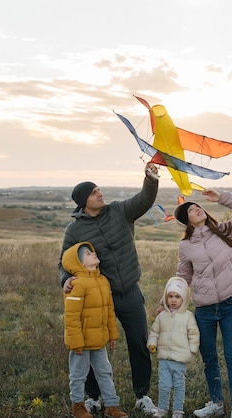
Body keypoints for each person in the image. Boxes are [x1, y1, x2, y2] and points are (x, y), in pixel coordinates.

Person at [59, 162, 159, 415]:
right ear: (84, 201)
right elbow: (65, 261)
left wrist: (150, 179)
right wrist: (65, 279)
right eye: (94, 192)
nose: (100, 194)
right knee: (93, 345)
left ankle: (142, 396)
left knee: (139, 342)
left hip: (130, 292)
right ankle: (92, 397)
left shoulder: (119, 211)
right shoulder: (75, 229)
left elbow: (144, 200)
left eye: (100, 190)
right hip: (98, 296)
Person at [173, 190, 232, 418]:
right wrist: (168, 302)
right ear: (187, 221)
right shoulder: (186, 245)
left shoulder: (226, 230)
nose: (197, 209)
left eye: (197, 206)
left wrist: (222, 197)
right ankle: (216, 403)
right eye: (190, 210)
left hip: (229, 305)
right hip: (204, 310)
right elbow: (183, 277)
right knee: (209, 358)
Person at [62, 242, 128, 418]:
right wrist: (76, 341)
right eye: (88, 254)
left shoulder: (103, 281)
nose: (93, 254)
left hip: (99, 340)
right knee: (78, 375)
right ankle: (78, 406)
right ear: (78, 263)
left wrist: (113, 335)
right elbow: (71, 316)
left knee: (105, 372)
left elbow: (109, 310)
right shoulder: (77, 284)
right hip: (81, 342)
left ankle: (112, 406)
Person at [147, 277, 200, 418]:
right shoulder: (161, 316)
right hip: (164, 358)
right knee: (164, 386)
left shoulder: (188, 316)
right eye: (170, 296)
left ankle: (177, 410)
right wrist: (152, 343)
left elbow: (194, 334)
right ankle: (162, 408)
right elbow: (154, 332)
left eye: (177, 297)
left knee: (178, 386)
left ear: (183, 298)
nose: (173, 300)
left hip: (180, 359)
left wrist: (192, 349)